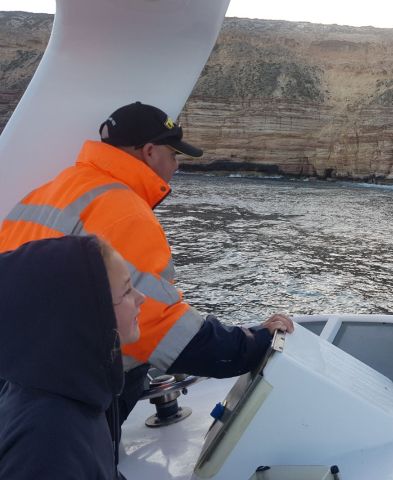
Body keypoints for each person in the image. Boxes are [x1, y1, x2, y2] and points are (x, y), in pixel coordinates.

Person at [0, 101, 294, 423]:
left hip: (16, 374)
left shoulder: (52, 188)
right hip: (61, 396)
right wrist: (252, 343)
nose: (176, 167)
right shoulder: (125, 211)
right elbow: (159, 325)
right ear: (150, 152)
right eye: (174, 155)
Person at [0, 235, 144, 479]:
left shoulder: (77, 391)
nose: (141, 298)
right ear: (88, 315)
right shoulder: (48, 441)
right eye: (127, 290)